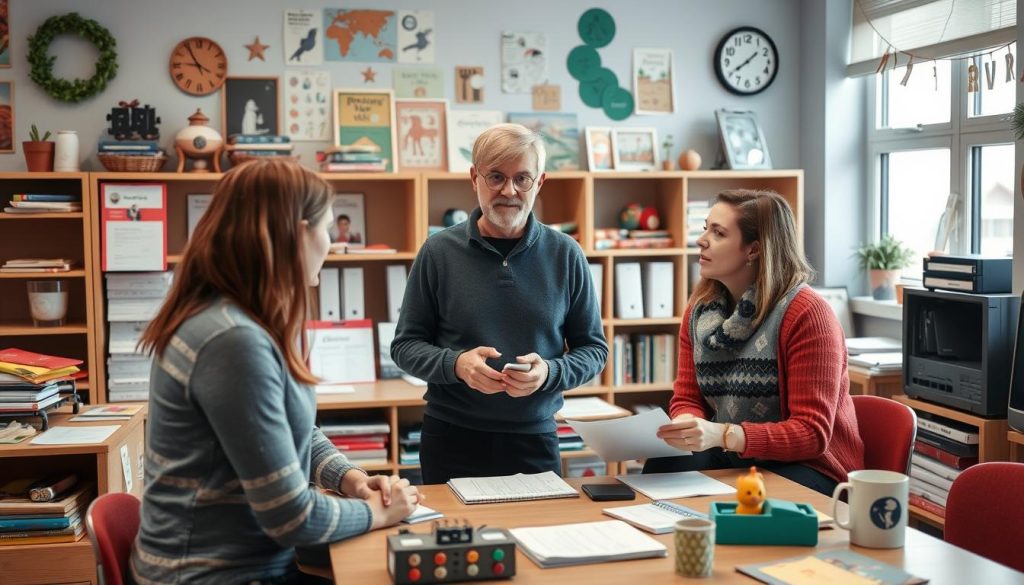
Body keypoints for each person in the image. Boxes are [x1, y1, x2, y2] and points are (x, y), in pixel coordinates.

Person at [131, 160, 420, 583]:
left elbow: (290, 432)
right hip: (211, 575)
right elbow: (291, 516)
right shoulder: (233, 341)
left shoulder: (237, 320)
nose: (332, 244)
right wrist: (378, 512)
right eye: (324, 227)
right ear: (296, 233)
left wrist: (352, 479)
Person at [391, 123, 608, 484]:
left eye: (523, 178)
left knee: (535, 538)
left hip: (534, 440)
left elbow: (594, 350)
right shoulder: (437, 252)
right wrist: (457, 364)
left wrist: (549, 374)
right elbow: (405, 346)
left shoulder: (566, 254)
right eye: (496, 177)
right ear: (473, 177)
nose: (509, 191)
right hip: (451, 439)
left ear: (540, 183)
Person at [645, 189, 864, 496]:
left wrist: (722, 434)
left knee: (737, 498)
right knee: (661, 468)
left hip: (811, 467)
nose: (702, 239)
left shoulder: (808, 314)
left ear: (754, 250)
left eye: (718, 233)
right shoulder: (699, 312)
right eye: (705, 227)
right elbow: (687, 397)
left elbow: (811, 434)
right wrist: (688, 425)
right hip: (734, 456)